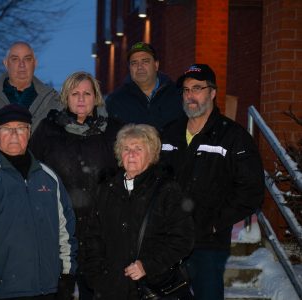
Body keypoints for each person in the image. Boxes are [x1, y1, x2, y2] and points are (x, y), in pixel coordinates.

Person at [0, 104, 78, 300]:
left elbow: (66, 230)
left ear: (29, 132)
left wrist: (67, 275)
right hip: (3, 291)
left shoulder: (49, 177)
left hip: (50, 289)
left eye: (20, 128)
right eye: (6, 129)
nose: (14, 134)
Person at [160, 64, 264, 300]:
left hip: (207, 244)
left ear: (213, 92)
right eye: (186, 90)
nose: (190, 96)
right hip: (167, 240)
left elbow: (252, 190)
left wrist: (216, 223)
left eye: (197, 88)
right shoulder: (169, 132)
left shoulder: (233, 136)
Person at [29, 71, 122, 300]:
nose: (81, 99)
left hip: (100, 231)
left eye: (87, 93)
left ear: (96, 97)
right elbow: (31, 173)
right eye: (75, 93)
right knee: (58, 292)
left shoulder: (113, 130)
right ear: (66, 97)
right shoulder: (48, 130)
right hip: (58, 229)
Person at [84, 124, 194, 300]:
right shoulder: (107, 189)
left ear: (151, 154)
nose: (131, 154)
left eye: (138, 149)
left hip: (152, 287)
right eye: (126, 149)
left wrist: (148, 266)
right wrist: (97, 276)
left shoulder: (167, 190)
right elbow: (93, 236)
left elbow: (182, 239)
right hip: (112, 289)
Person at [0, 41, 62, 147]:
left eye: (27, 59)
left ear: (35, 63)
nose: (22, 64)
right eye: (15, 59)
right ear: (6, 63)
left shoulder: (53, 100)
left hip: (39, 163)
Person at [106, 42, 183, 131]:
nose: (139, 67)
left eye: (145, 61)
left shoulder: (177, 95)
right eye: (134, 63)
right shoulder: (115, 100)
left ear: (156, 65)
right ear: (129, 68)